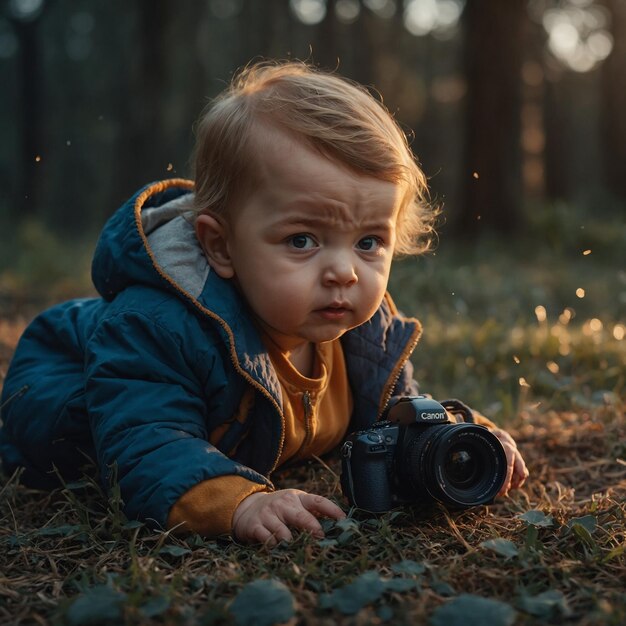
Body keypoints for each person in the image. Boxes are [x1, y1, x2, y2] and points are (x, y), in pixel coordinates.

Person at [0, 61, 528, 545]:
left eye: (369, 242)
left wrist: (458, 436)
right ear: (222, 246)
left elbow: (397, 408)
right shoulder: (157, 330)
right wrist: (237, 501)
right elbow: (147, 443)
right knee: (86, 449)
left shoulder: (363, 330)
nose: (344, 271)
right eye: (302, 240)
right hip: (68, 378)